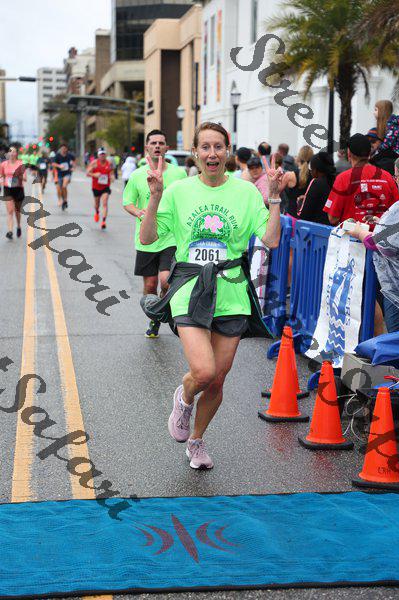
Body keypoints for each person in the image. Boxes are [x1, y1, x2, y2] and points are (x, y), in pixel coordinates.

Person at [139, 122, 281, 469]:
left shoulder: (246, 192)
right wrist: (155, 197)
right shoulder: (178, 191)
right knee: (203, 371)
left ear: (227, 151)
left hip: (231, 290)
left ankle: (196, 441)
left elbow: (271, 239)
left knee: (218, 378)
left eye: (218, 146)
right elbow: (147, 238)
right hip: (189, 288)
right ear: (195, 153)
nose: (212, 153)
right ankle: (185, 396)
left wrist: (275, 197)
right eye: (205, 147)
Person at [123, 129, 187, 338]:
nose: (157, 146)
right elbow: (127, 202)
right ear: (147, 147)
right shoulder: (137, 175)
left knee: (166, 280)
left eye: (161, 143)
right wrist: (138, 212)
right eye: (153, 143)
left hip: (171, 236)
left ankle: (164, 308)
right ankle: (154, 317)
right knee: (150, 284)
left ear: (167, 147)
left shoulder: (179, 174)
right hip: (146, 238)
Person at [347, 157, 399, 332]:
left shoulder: (398, 208)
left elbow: (376, 242)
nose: (395, 180)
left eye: (396, 176)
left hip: (396, 287)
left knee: (395, 336)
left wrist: (358, 232)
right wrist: (383, 224)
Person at [324, 134, 399, 227]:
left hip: (352, 235)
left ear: (349, 154)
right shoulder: (387, 177)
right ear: (369, 154)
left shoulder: (343, 178)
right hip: (381, 235)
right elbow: (396, 212)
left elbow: (333, 218)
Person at [297, 152, 333, 225]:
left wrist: (300, 203)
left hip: (316, 227)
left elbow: (304, 214)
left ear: (315, 170)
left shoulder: (315, 182)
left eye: (311, 169)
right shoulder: (336, 180)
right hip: (333, 227)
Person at [280, 145, 314, 220]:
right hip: (307, 218)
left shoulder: (289, 175)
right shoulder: (315, 176)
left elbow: (276, 192)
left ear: (298, 157)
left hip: (291, 215)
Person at [0, 146, 26, 240]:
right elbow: (1, 175)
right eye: (10, 151)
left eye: (14, 151)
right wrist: (2, 183)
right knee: (10, 211)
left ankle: (18, 226)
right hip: (8, 189)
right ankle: (10, 231)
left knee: (17, 211)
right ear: (8, 153)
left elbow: (25, 178)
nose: (12, 153)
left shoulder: (21, 164)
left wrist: (19, 176)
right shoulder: (3, 164)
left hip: (18, 189)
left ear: (16, 154)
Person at [86, 149, 114, 229]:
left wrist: (112, 177)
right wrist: (94, 174)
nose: (102, 156)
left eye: (104, 154)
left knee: (105, 203)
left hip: (105, 187)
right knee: (97, 204)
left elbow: (111, 173)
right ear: (98, 155)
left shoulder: (109, 163)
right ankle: (97, 212)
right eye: (101, 154)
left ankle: (103, 221)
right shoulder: (94, 163)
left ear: (106, 155)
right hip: (96, 187)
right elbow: (87, 173)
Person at [52, 143, 76, 210]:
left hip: (67, 173)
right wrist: (59, 166)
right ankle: (63, 200)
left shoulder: (69, 155)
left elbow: (74, 160)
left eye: (65, 148)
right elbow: (53, 163)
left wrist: (73, 167)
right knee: (60, 189)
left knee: (64, 186)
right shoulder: (57, 155)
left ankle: (65, 200)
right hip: (59, 174)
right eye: (62, 149)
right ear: (60, 149)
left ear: (66, 149)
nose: (63, 150)